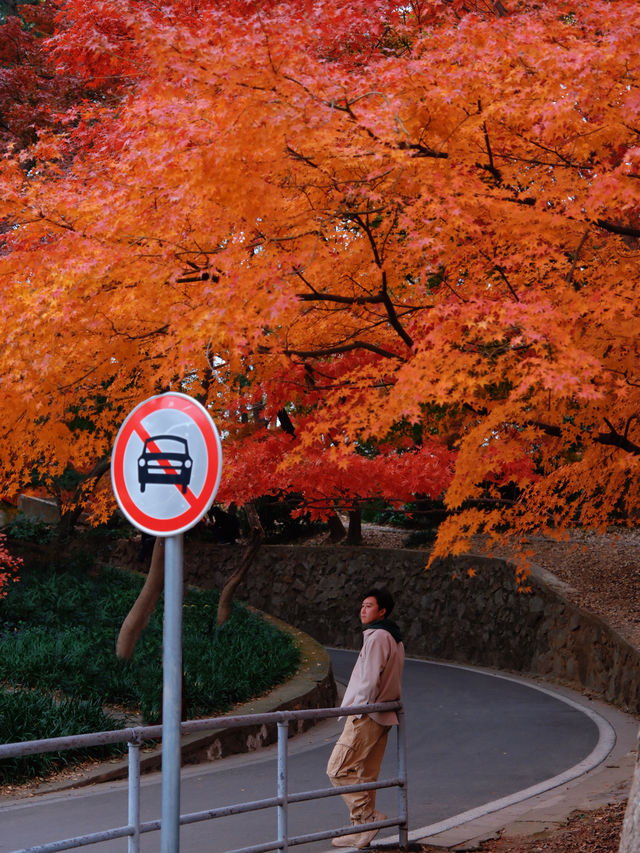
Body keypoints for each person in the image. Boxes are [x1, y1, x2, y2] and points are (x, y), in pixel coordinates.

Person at [327, 587, 405, 849]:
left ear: (382, 611)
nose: (363, 609)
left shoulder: (377, 637)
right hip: (384, 712)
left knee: (338, 770)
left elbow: (369, 680)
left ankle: (367, 818)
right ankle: (359, 828)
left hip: (366, 714)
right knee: (365, 774)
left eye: (369, 606)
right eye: (362, 605)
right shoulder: (394, 637)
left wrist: (355, 710)